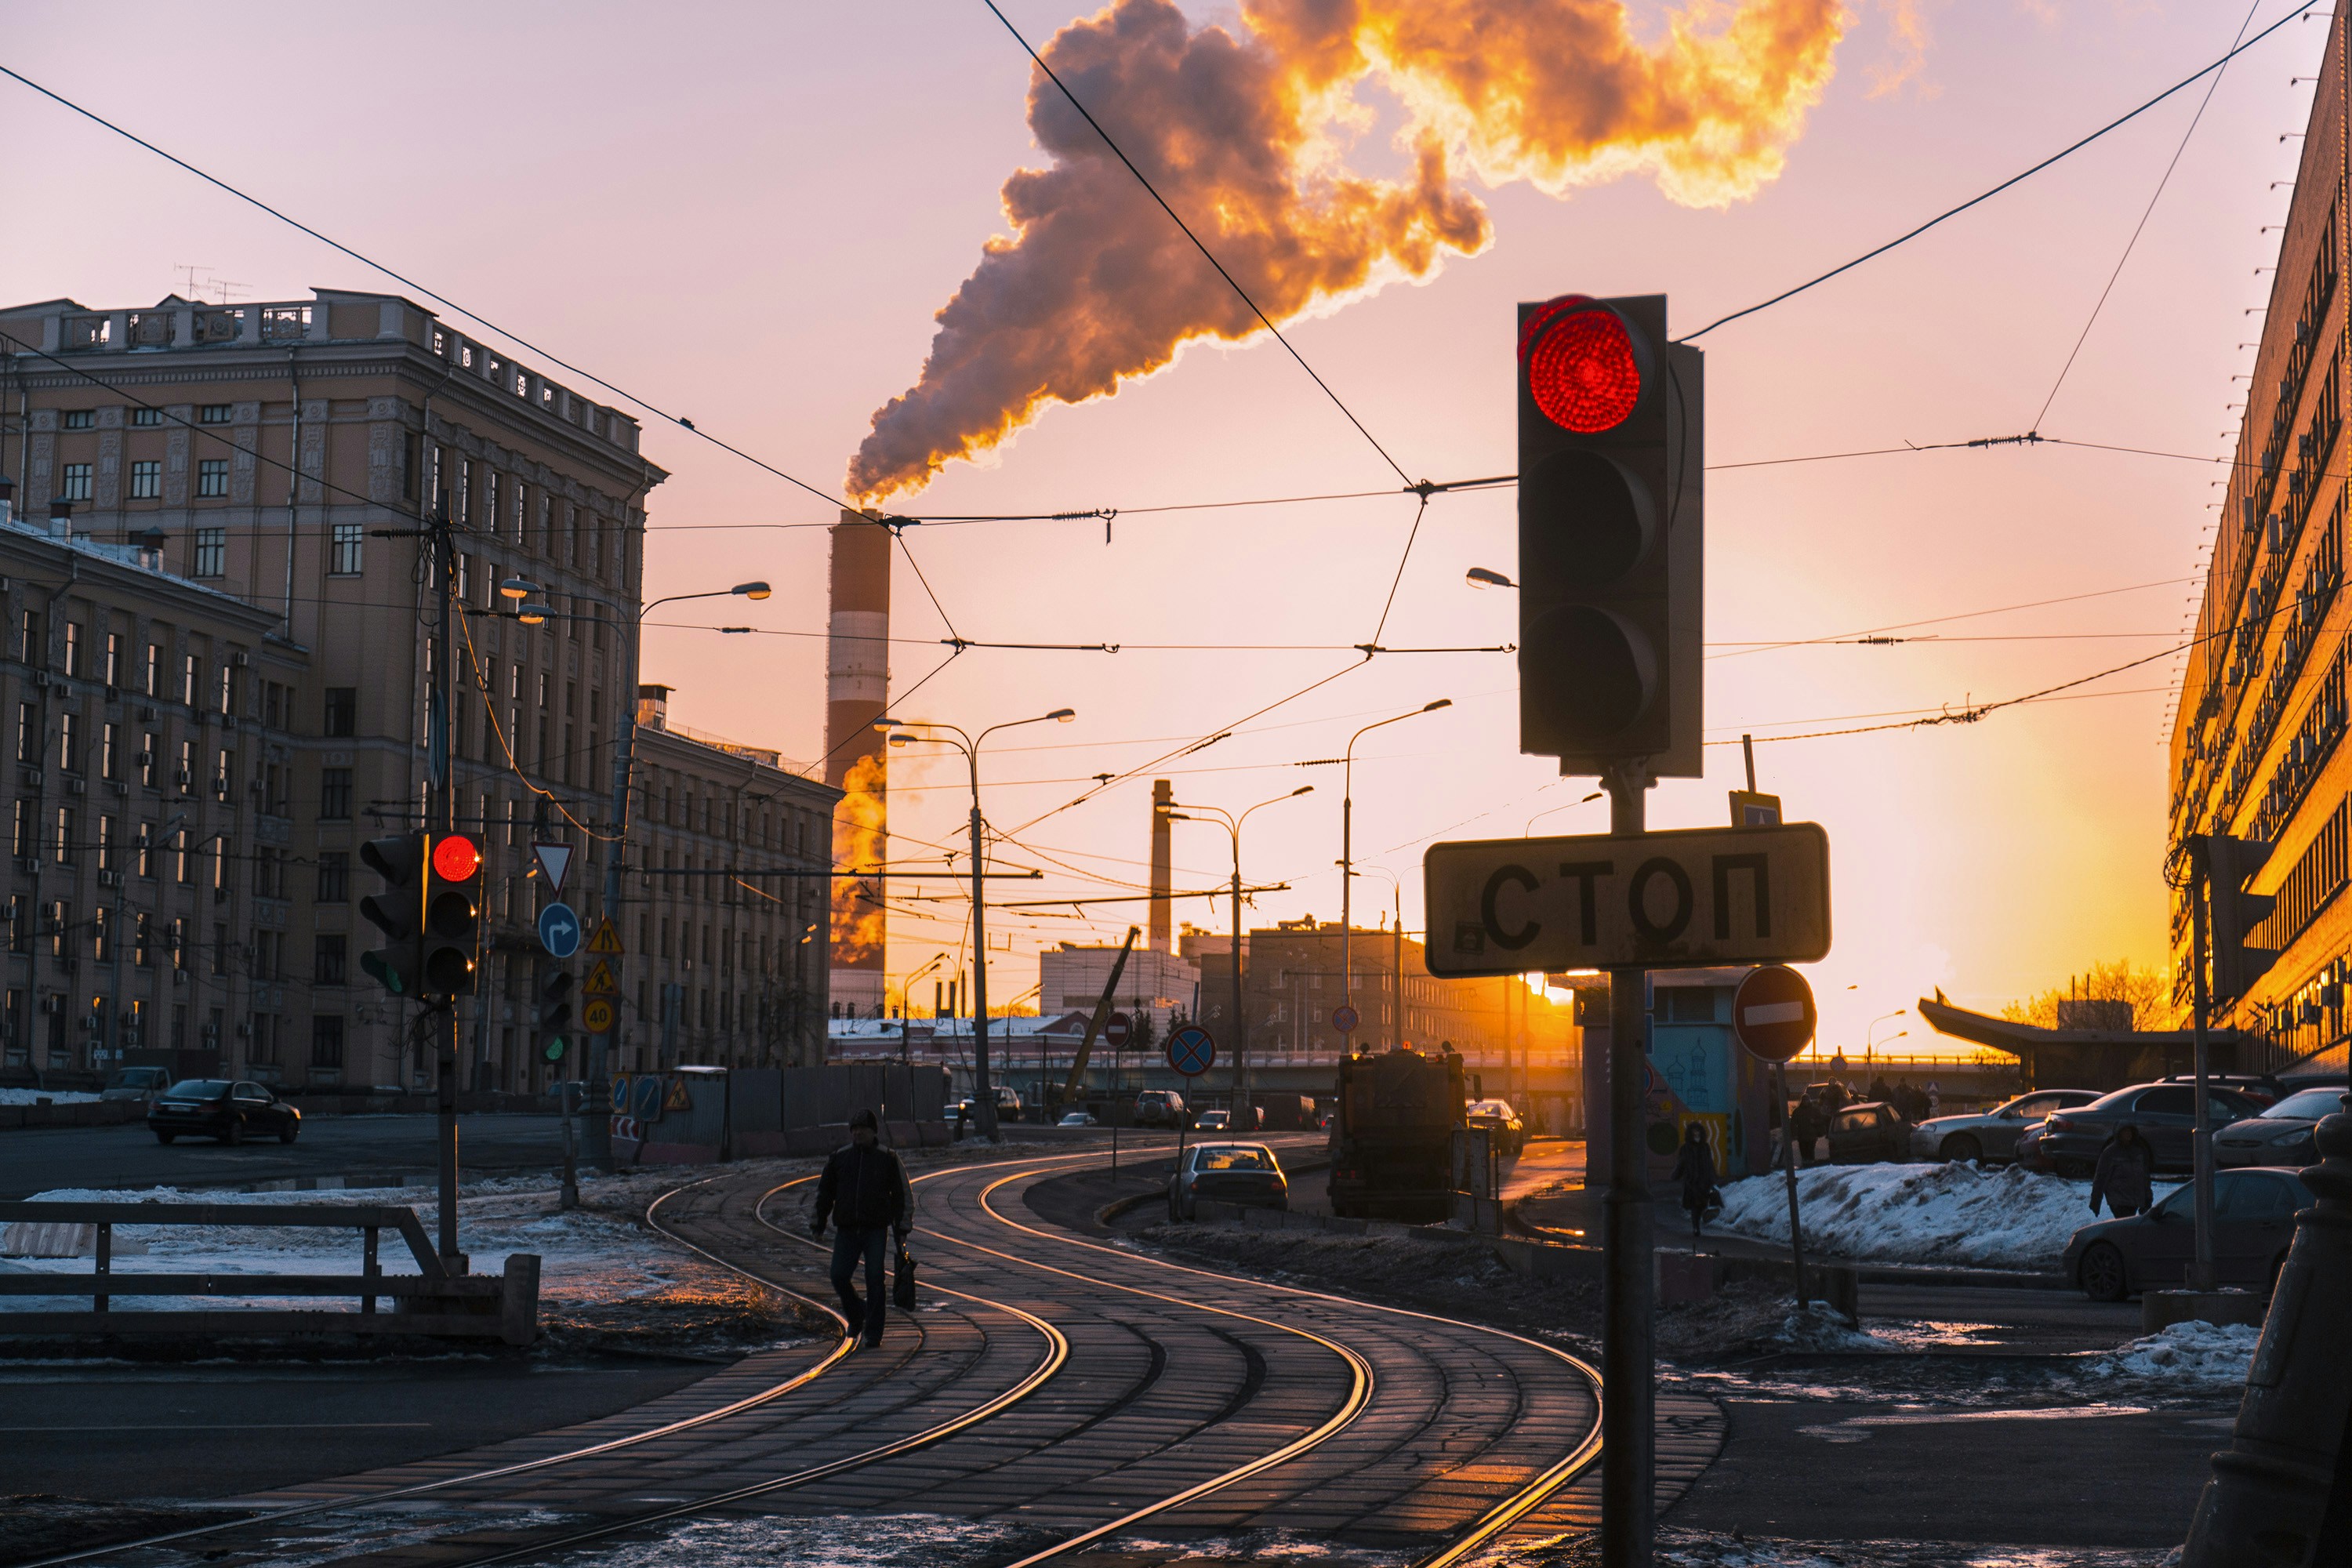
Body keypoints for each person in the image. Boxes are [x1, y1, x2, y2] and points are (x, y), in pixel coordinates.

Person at [811, 1109, 913, 1349]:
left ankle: (874, 1333)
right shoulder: (840, 1158)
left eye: (862, 1129)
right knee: (838, 1276)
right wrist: (818, 1223)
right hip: (847, 1230)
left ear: (873, 1132)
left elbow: (902, 1195)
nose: (857, 1133)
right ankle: (857, 1315)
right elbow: (825, 1192)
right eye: (854, 1129)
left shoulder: (888, 1158)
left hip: (875, 1230)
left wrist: (903, 1227)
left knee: (875, 1279)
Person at [2089, 1123, 2155, 1219]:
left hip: (2134, 1200)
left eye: (2130, 1132)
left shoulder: (2139, 1151)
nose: (2128, 1134)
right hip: (2119, 1200)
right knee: (2124, 1225)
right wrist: (2096, 1201)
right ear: (2118, 1134)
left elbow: (2144, 1176)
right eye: (2125, 1132)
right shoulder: (2110, 1152)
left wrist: (2148, 1197)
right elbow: (2101, 1178)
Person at [1671, 1123, 1719, 1237]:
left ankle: (1698, 1222)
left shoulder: (1705, 1147)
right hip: (1692, 1182)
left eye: (1698, 1132)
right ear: (1690, 1134)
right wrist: (1676, 1175)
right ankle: (1696, 1227)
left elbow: (1709, 1163)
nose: (1696, 1134)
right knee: (1694, 1206)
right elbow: (1681, 1163)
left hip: (1704, 1181)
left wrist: (1712, 1178)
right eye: (1694, 1132)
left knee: (1702, 1204)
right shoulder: (1686, 1148)